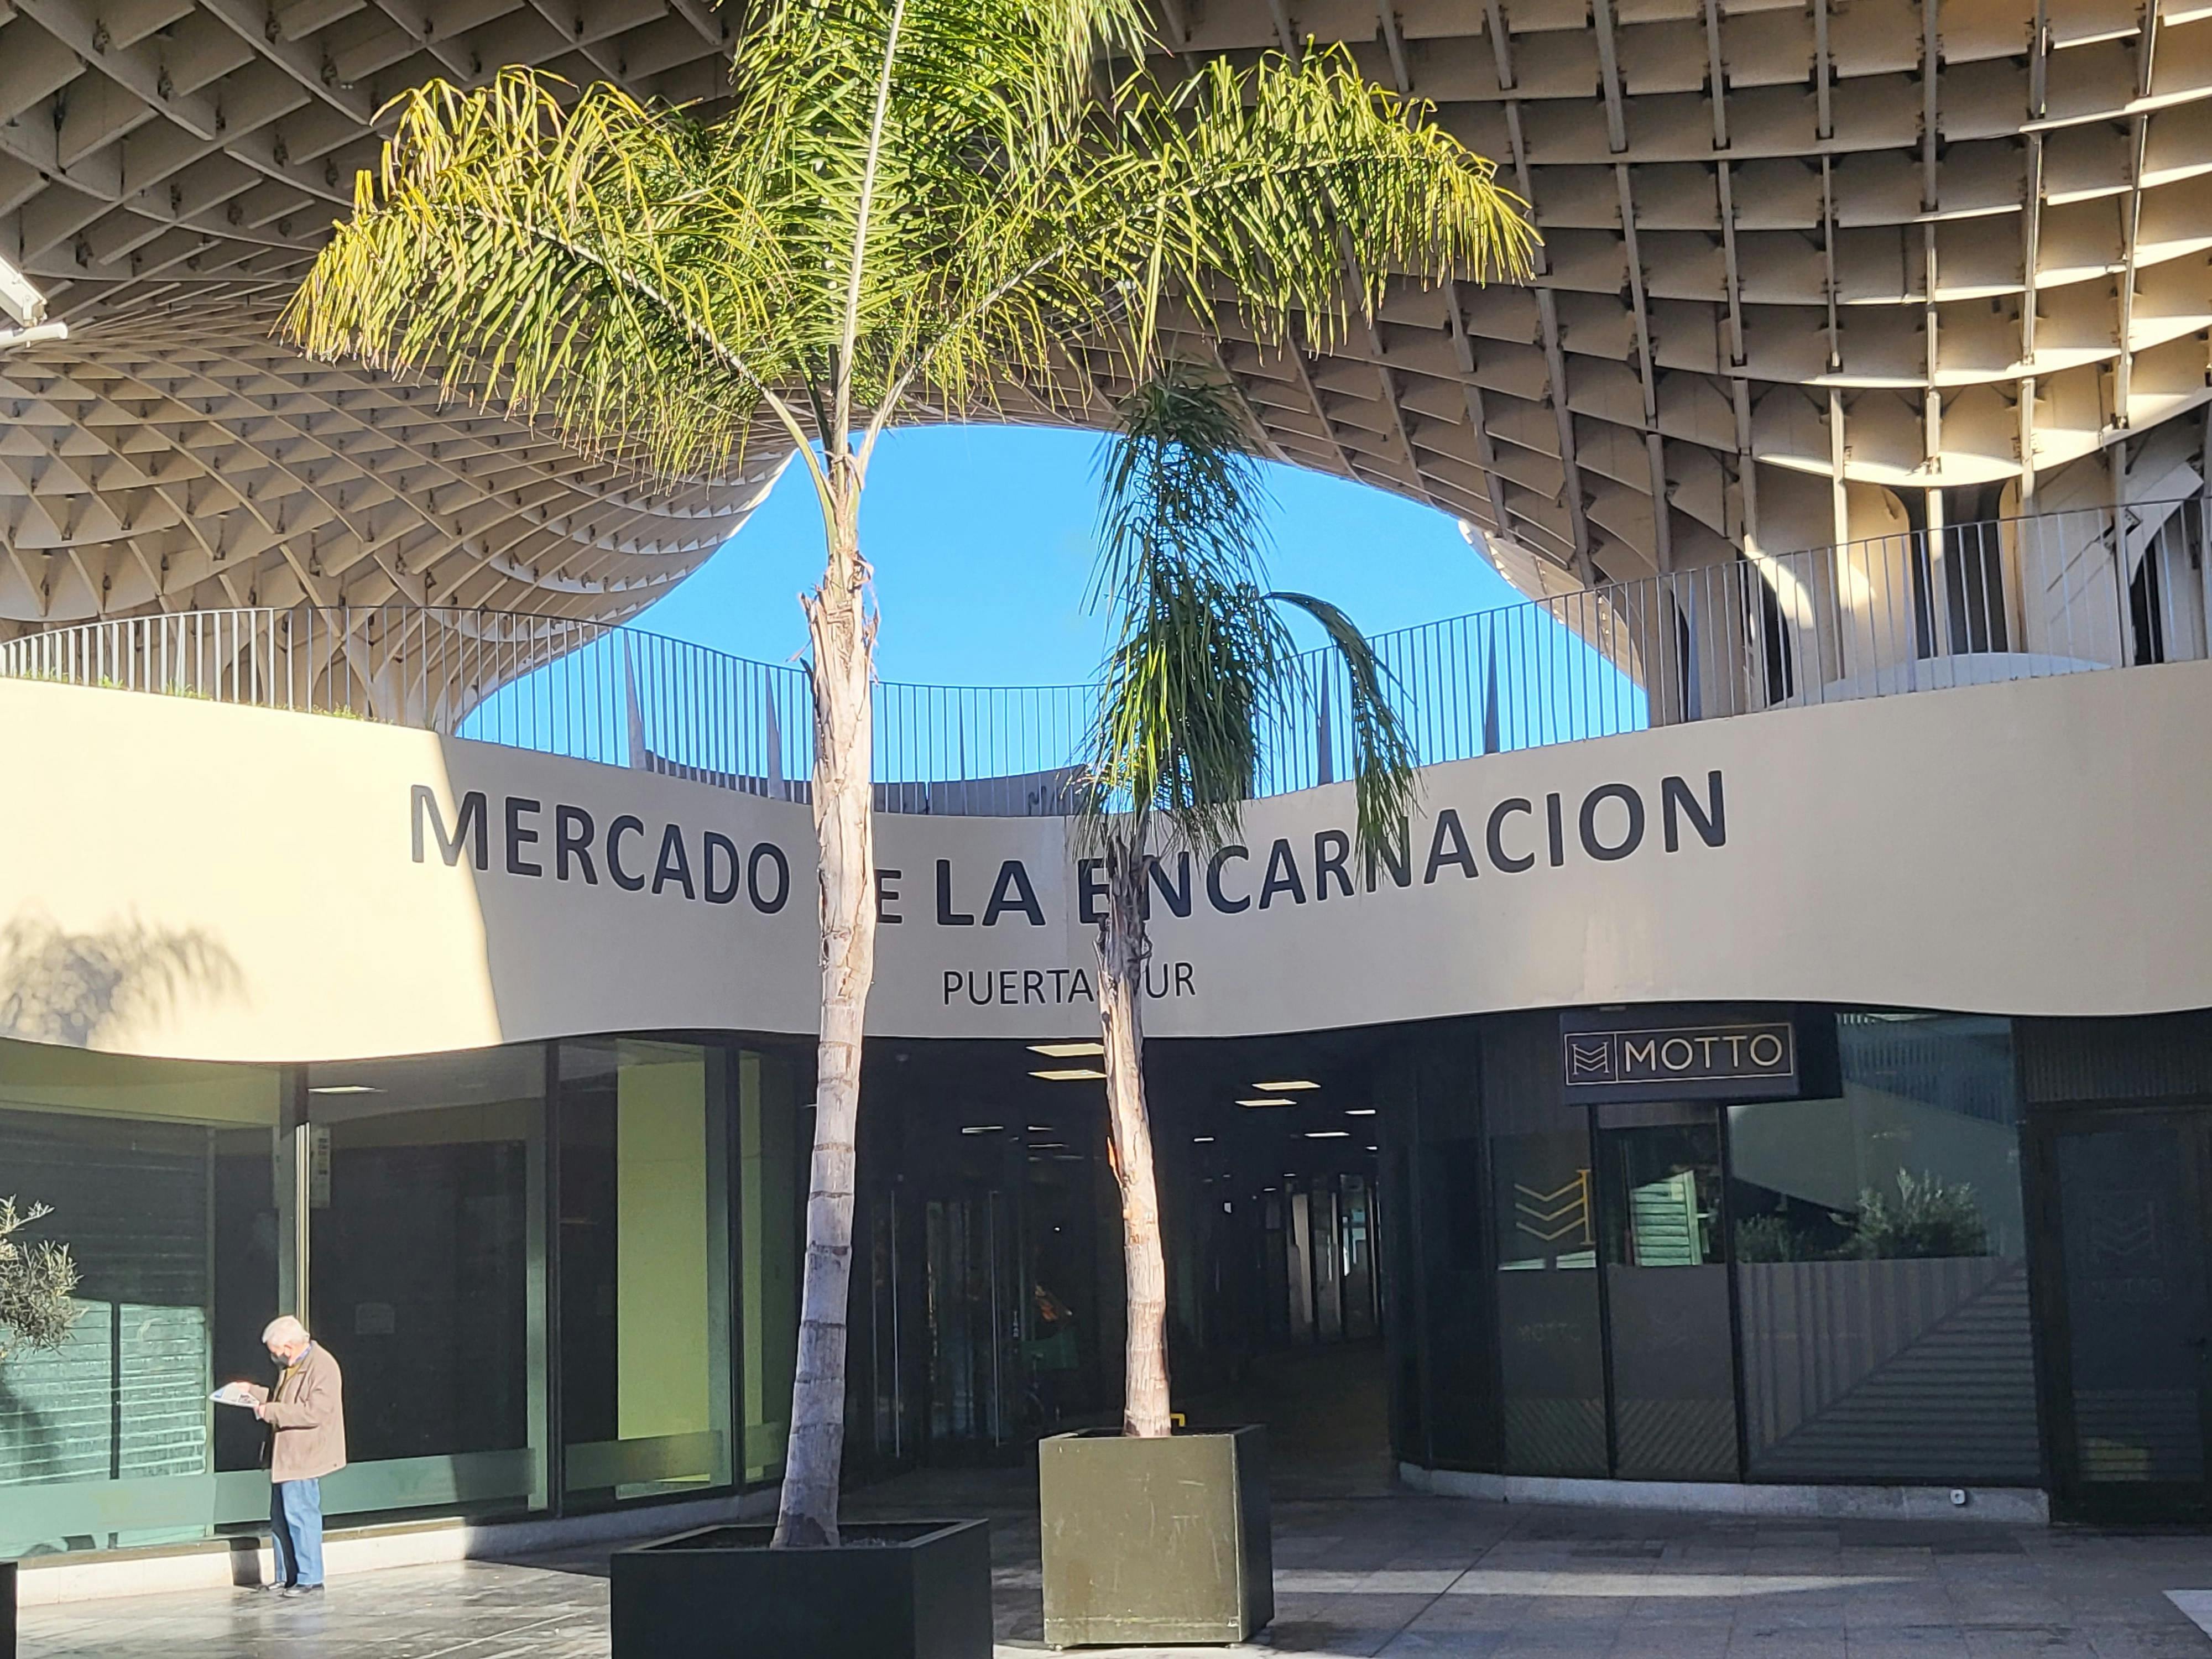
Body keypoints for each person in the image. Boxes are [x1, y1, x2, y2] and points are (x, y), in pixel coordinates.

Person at [242, 1315, 347, 1598]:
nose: (274, 1358)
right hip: (285, 1454)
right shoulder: (294, 1365)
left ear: (289, 1346)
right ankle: (287, 1576)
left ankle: (310, 1578)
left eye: (276, 1352)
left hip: (304, 1454)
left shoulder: (322, 1366)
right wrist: (251, 1393)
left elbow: (315, 1412)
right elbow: (284, 1398)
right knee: (281, 1517)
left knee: (301, 1515)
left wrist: (270, 1412)